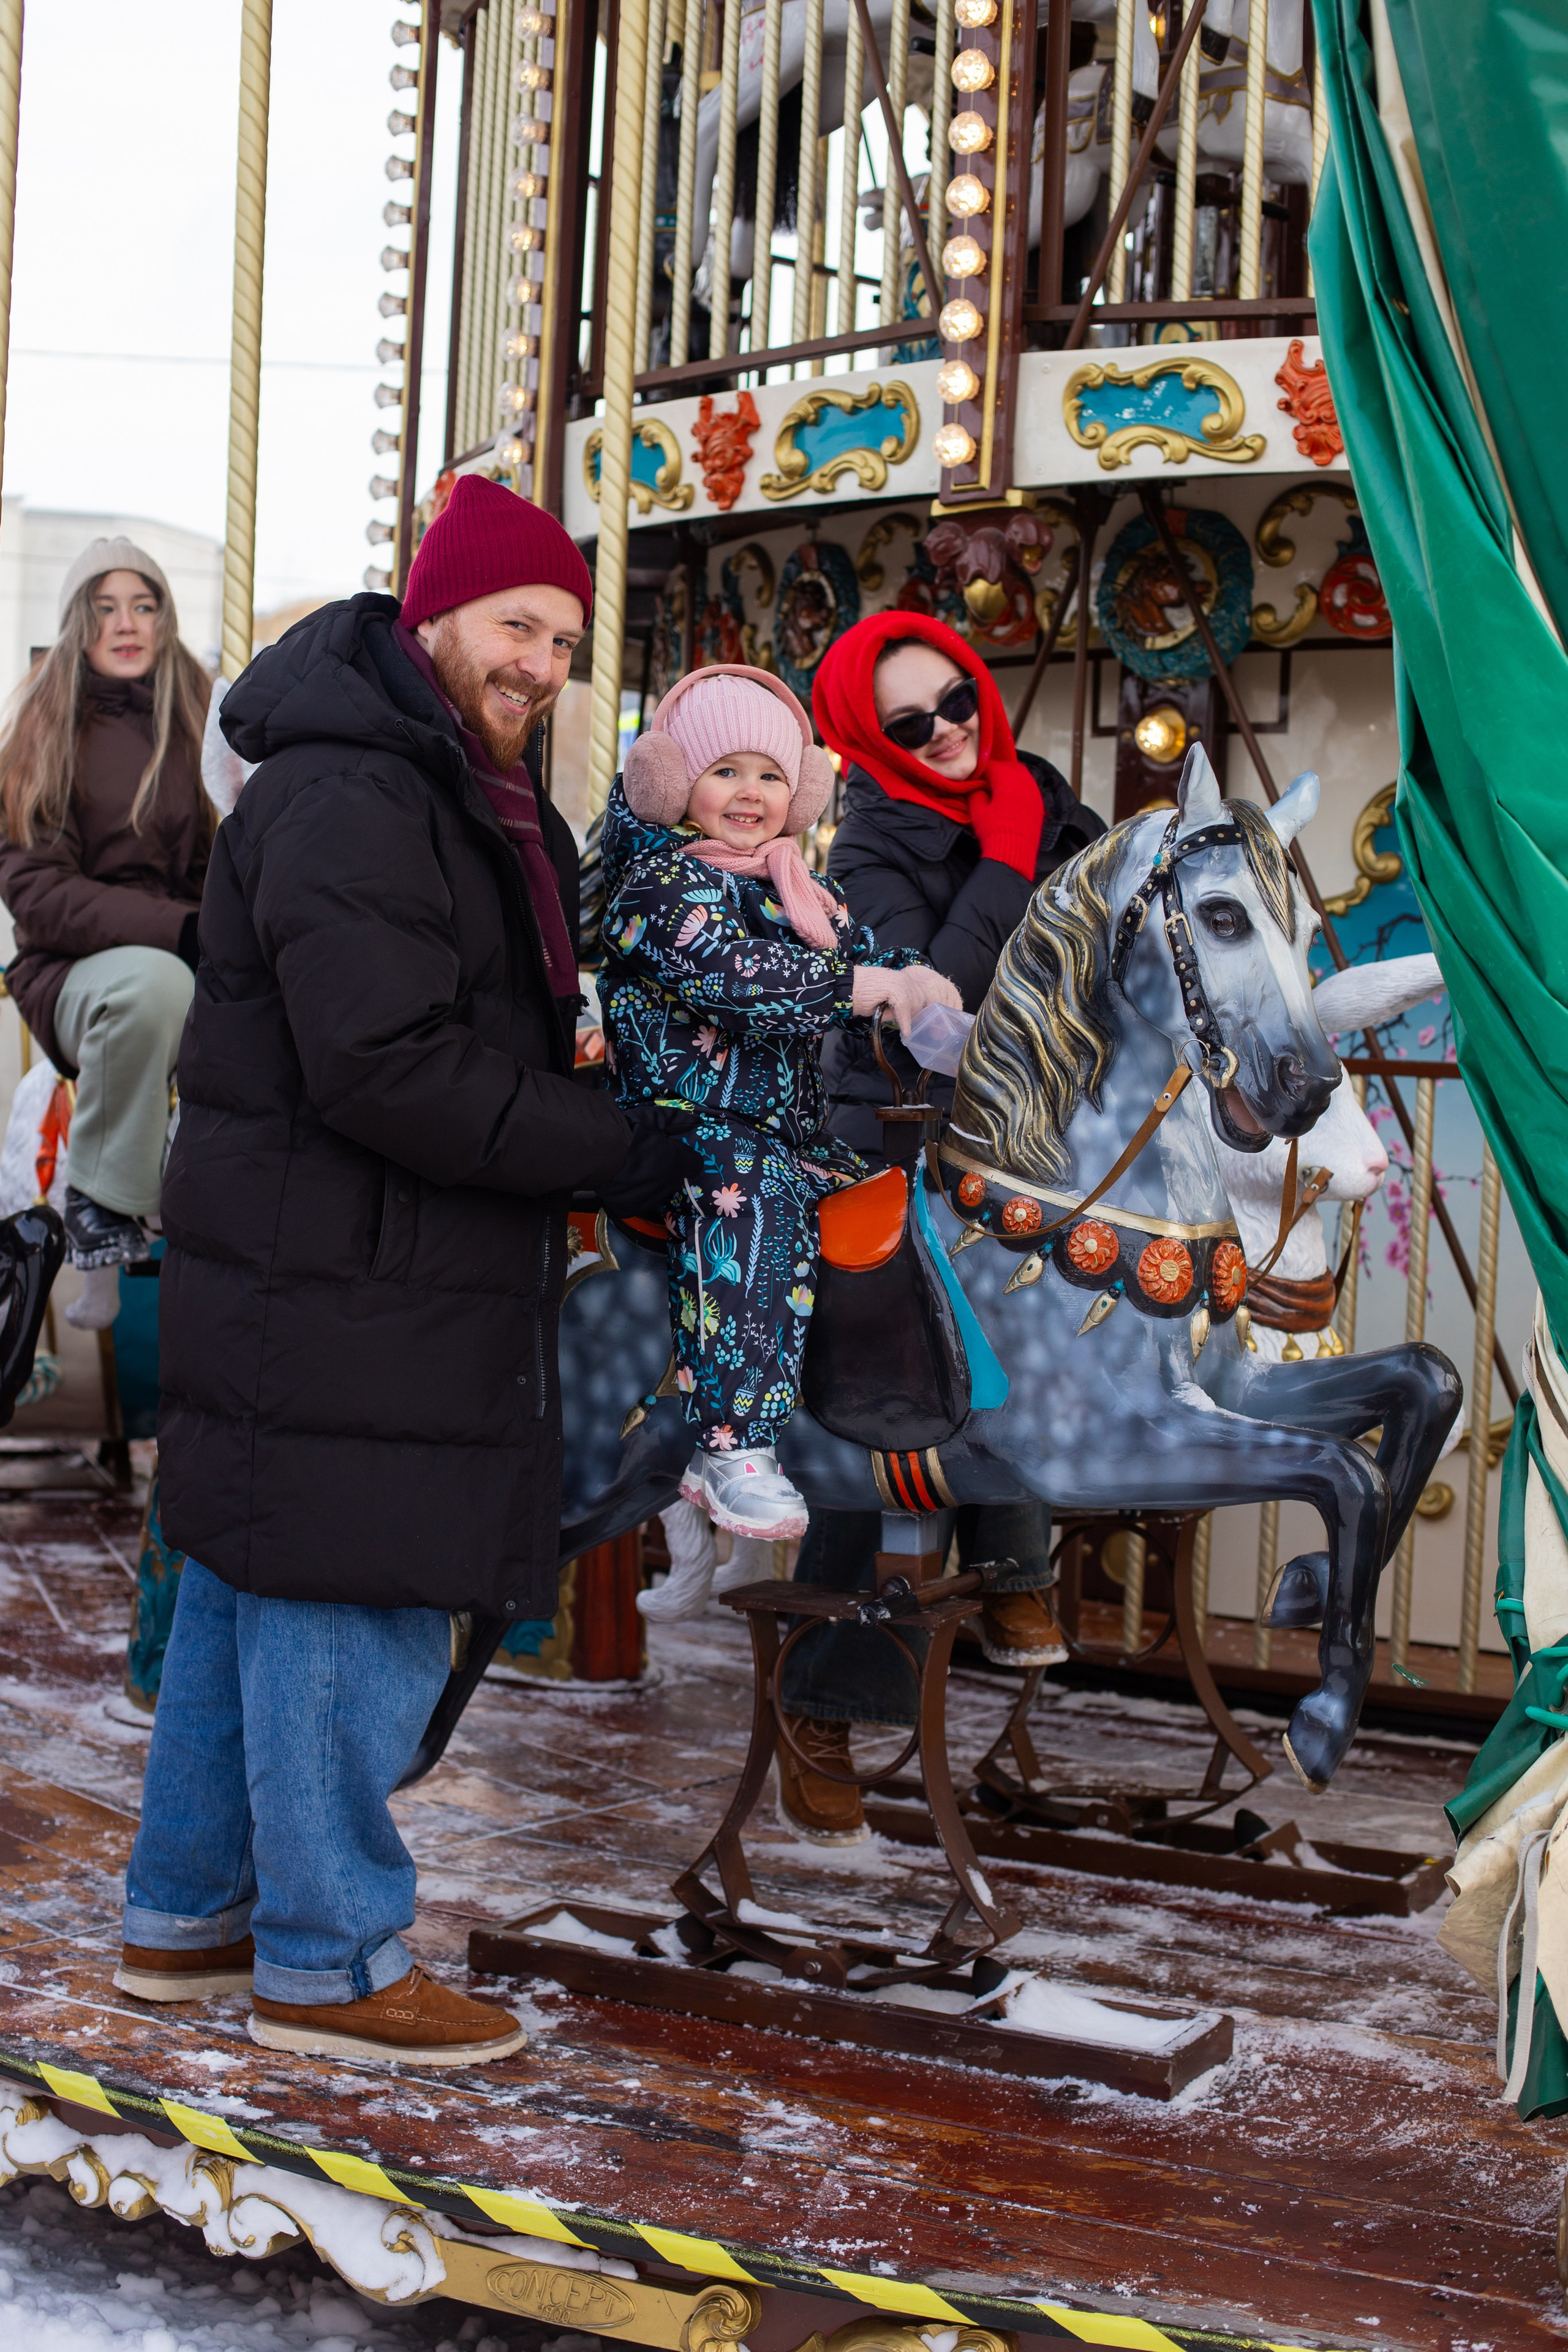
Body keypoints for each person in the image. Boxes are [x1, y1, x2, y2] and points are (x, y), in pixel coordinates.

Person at [117, 475, 695, 2067]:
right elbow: (387, 1065)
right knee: (342, 1599)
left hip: (345, 1267)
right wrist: (611, 1144)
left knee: (255, 1589)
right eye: (519, 625)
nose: (542, 666)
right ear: (436, 613)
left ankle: (189, 1920)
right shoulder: (359, 793)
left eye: (566, 641)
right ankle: (332, 1963)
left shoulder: (446, 786)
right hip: (355, 1275)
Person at [768, 611, 1109, 1843]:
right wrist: (1009, 862)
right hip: (889, 1131)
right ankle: (821, 1697)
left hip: (1020, 1130)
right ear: (872, 741)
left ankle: (1017, 1553)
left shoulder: (1041, 798)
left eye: (955, 698)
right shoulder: (867, 845)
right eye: (909, 723)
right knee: (878, 1398)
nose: (947, 730)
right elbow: (931, 995)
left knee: (1076, 1305)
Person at [598, 664, 959, 1542]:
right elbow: (739, 980)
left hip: (780, 1131)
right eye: (725, 771)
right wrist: (866, 984)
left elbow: (863, 956)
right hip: (679, 1128)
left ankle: (857, 1413)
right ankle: (733, 1444)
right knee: (752, 1200)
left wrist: (926, 997)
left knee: (888, 1198)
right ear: (673, 780)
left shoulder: (799, 888)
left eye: (769, 773)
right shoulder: (658, 888)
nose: (750, 793)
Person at [0, 540, 213, 1290]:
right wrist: (182, 930)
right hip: (70, 971)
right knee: (157, 987)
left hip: (176, 955)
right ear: (76, 624)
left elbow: (217, 865)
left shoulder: (193, 723)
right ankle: (100, 1199)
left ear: (165, 618)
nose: (126, 623)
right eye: (104, 608)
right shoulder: (45, 731)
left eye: (144, 605)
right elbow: (38, 895)